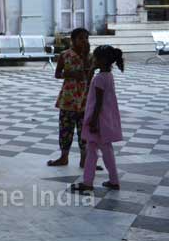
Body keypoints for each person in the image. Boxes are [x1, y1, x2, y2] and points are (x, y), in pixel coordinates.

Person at [71, 45, 124, 193]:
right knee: (104, 149)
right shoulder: (107, 76)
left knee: (92, 150)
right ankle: (113, 180)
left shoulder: (100, 78)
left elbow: (98, 102)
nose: (93, 59)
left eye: (95, 57)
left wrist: (93, 121)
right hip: (105, 118)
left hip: (98, 120)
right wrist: (92, 71)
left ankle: (88, 183)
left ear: (103, 60)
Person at [47, 27, 91, 167]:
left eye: (86, 38)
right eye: (80, 38)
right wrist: (70, 74)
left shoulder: (90, 56)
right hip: (68, 98)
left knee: (84, 130)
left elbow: (90, 75)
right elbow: (57, 74)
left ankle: (85, 159)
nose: (84, 41)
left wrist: (85, 57)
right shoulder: (65, 55)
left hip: (85, 98)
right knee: (66, 129)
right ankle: (64, 157)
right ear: (73, 40)